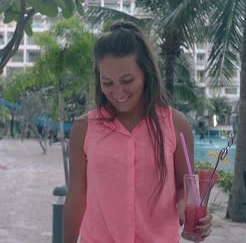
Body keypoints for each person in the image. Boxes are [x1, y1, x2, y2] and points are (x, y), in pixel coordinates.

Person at [63, 21, 212, 243]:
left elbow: (184, 186)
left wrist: (191, 211)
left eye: (127, 80)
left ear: (146, 73)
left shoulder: (176, 124)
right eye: (108, 82)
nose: (118, 92)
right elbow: (76, 198)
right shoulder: (83, 129)